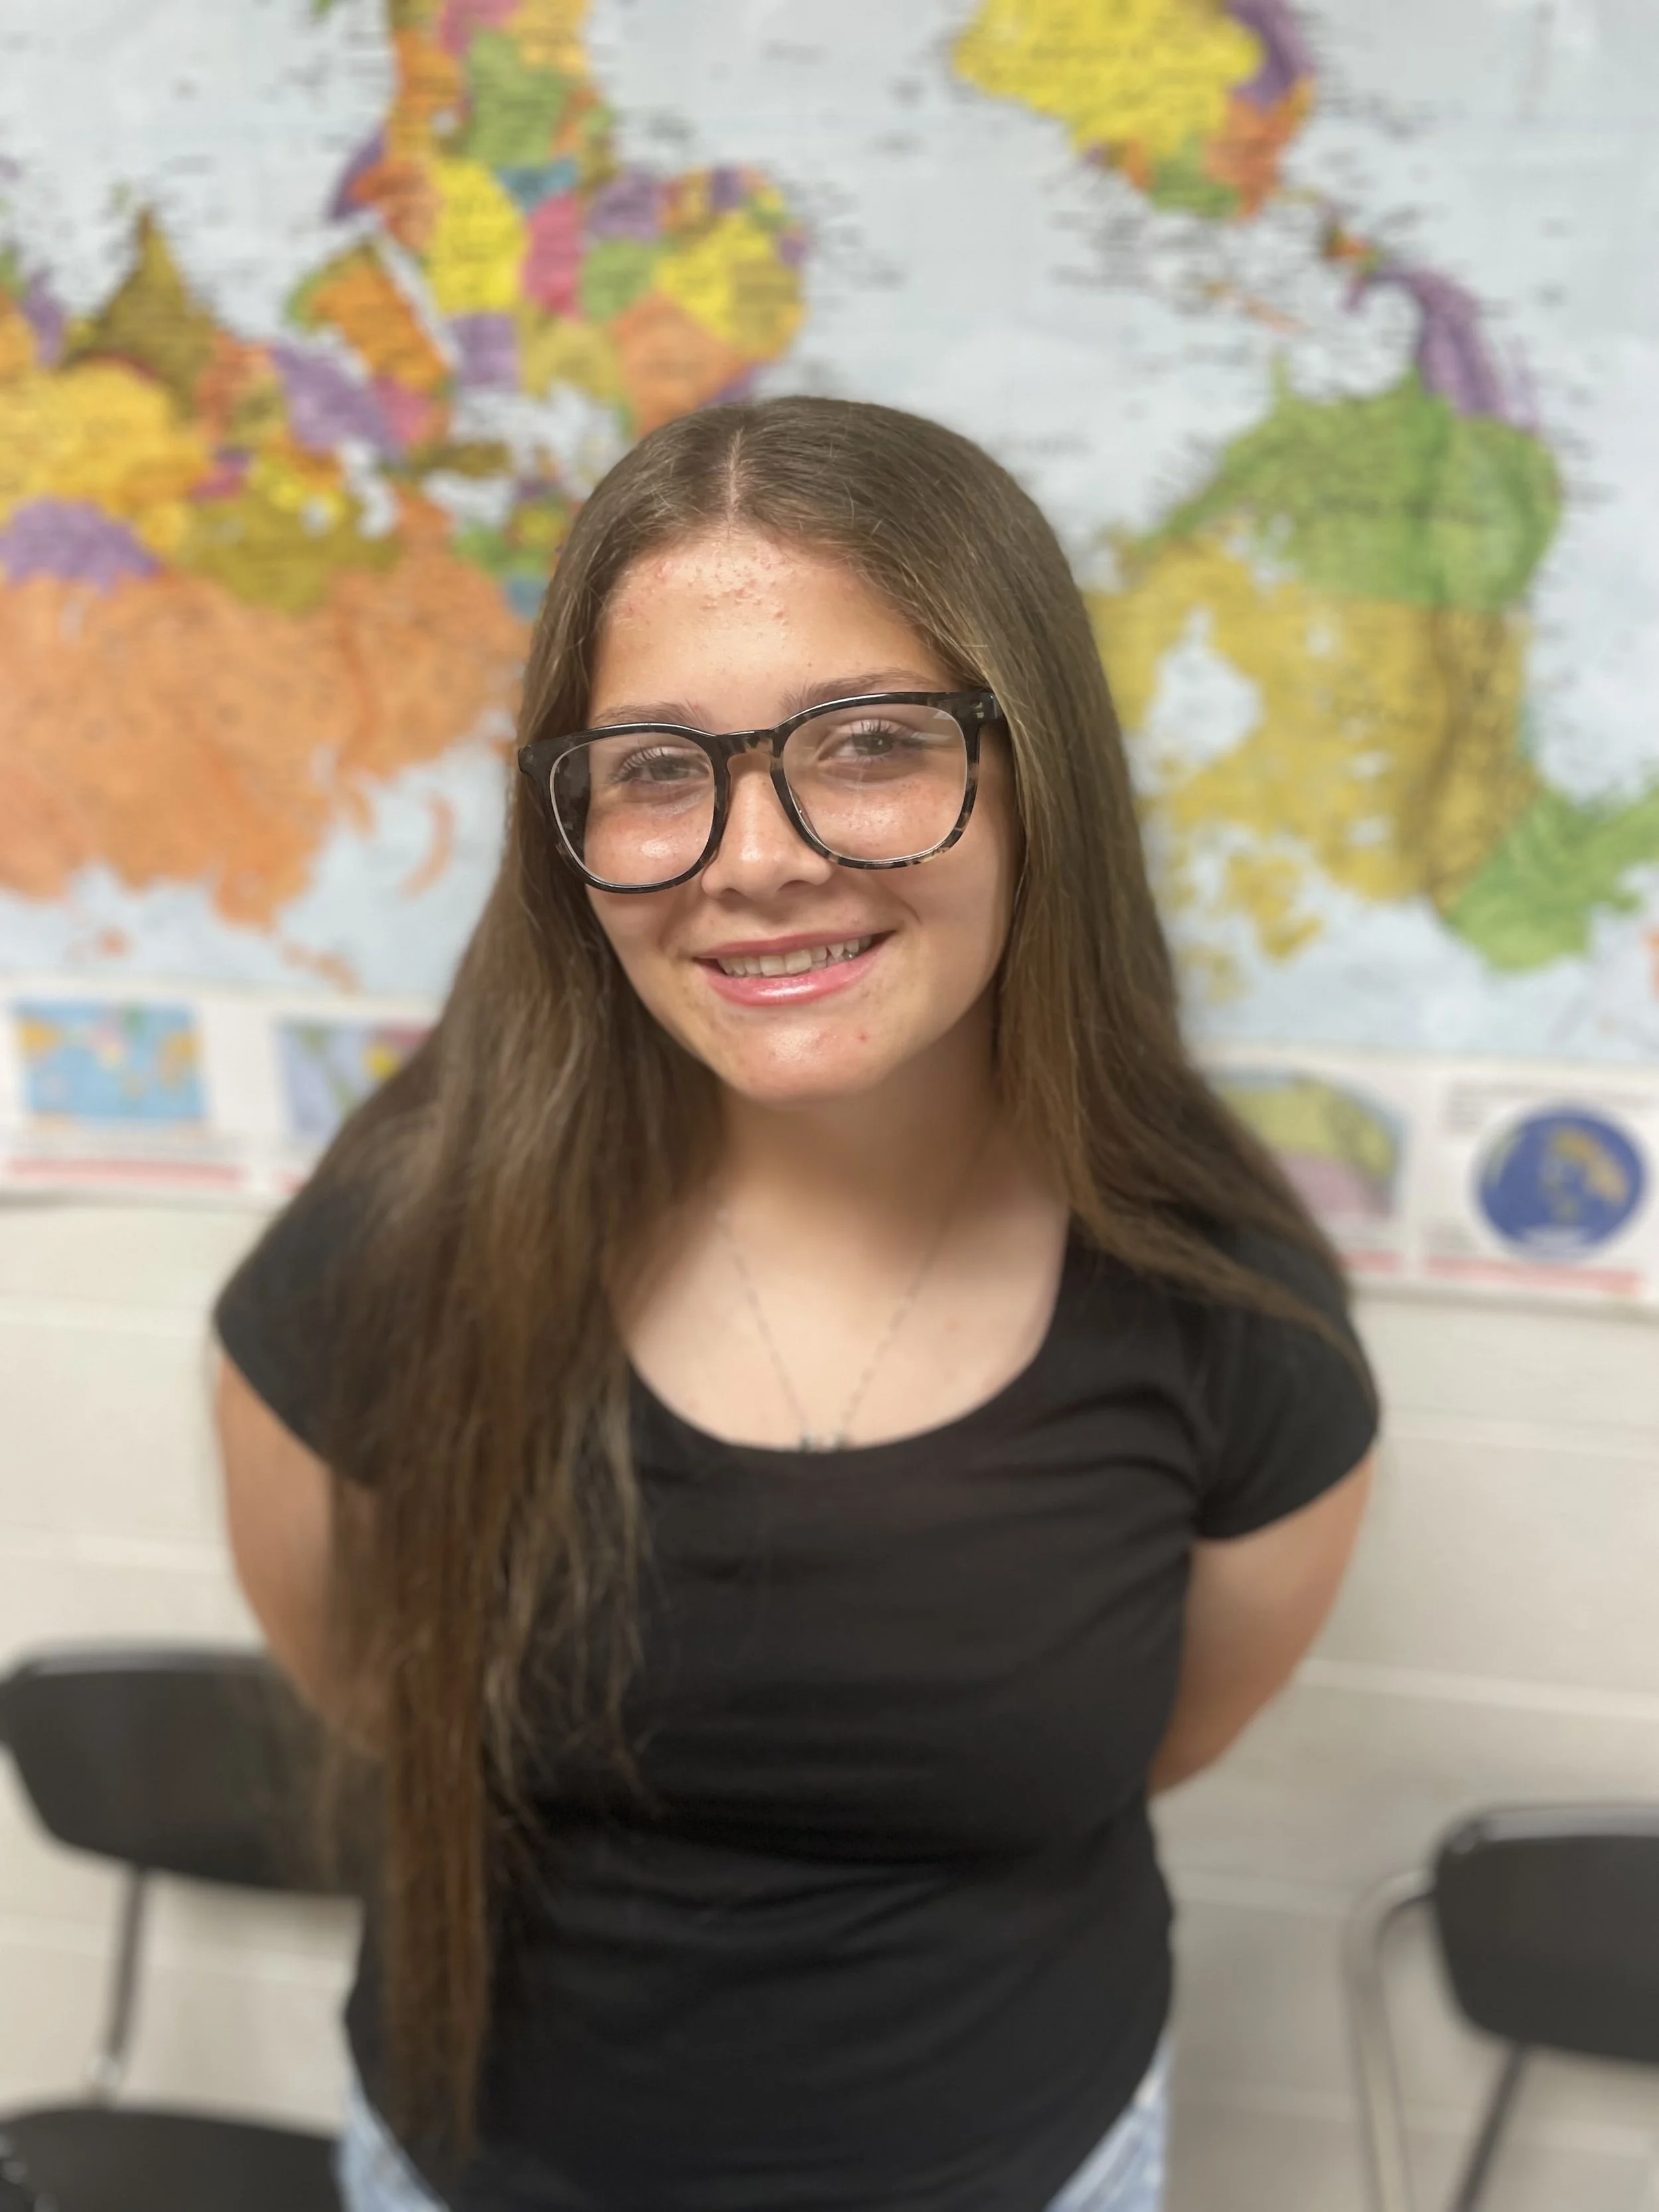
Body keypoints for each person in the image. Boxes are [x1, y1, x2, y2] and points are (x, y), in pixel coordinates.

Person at [212, 395, 1378, 2212]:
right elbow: (365, 1675)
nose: (753, 854)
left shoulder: (1232, 1309)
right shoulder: (397, 1241)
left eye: (868, 741)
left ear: (1034, 768)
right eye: (657, 766)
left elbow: (1160, 1737)